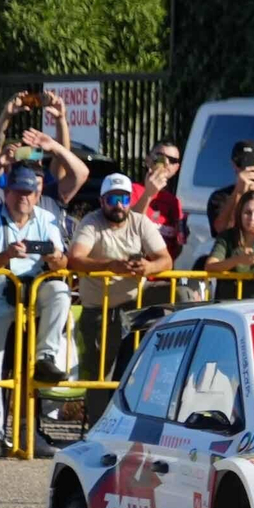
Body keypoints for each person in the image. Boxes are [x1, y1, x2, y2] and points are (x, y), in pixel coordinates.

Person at [0, 163, 72, 458]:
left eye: (29, 192)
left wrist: (55, 258)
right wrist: (7, 254)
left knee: (60, 291)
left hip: (32, 297)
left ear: (37, 195)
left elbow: (63, 263)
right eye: (17, 191)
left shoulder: (47, 219)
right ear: (8, 192)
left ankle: (45, 357)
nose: (23, 198)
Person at [67, 174, 172, 423]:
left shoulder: (140, 222)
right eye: (113, 199)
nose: (119, 205)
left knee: (180, 293)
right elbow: (75, 259)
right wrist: (110, 266)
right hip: (99, 309)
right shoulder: (91, 222)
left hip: (135, 306)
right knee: (98, 376)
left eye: (124, 199)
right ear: (102, 201)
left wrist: (148, 267)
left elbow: (166, 259)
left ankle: (174, 344)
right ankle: (97, 429)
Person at [0, 90, 89, 215]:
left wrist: (58, 130)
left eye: (35, 154)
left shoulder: (49, 197)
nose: (29, 161)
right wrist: (6, 115)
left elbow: (72, 168)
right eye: (23, 155)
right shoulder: (3, 194)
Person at [128, 139, 188, 263]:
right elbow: (128, 227)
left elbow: (179, 245)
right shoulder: (132, 190)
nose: (166, 163)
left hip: (162, 271)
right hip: (135, 269)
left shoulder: (174, 202)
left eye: (172, 160)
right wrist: (148, 194)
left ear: (176, 168)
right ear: (148, 160)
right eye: (160, 157)